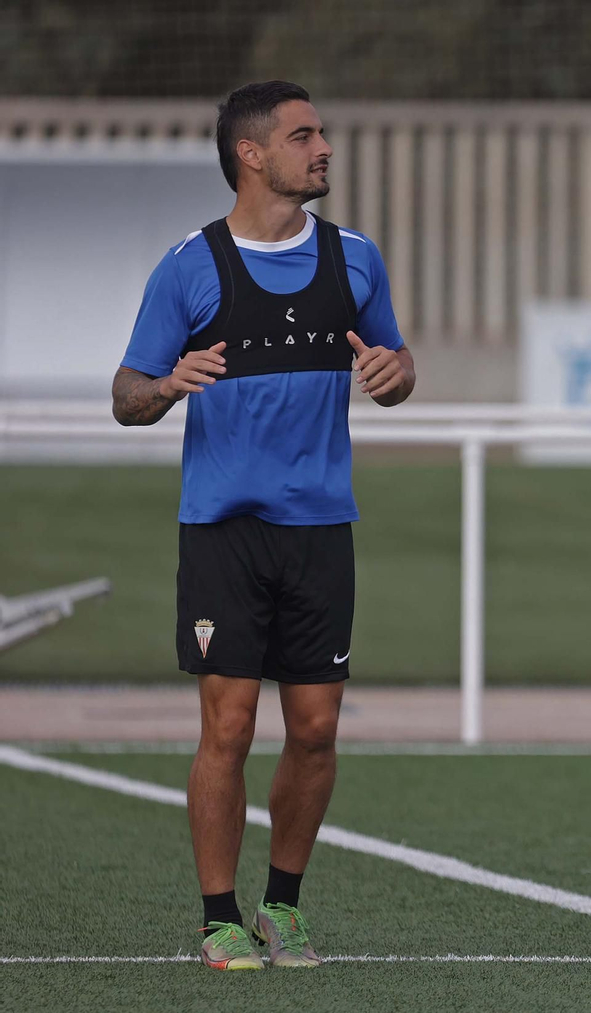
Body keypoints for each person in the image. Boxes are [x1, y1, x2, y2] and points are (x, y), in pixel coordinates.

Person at [111, 81, 415, 971]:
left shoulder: (355, 260)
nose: (323, 147)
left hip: (322, 528)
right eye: (303, 135)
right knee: (230, 727)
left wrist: (399, 377)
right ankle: (218, 918)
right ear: (251, 154)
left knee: (315, 729)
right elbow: (126, 393)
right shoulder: (188, 266)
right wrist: (165, 386)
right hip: (224, 530)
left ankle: (283, 907)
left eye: (321, 133)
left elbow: (395, 366)